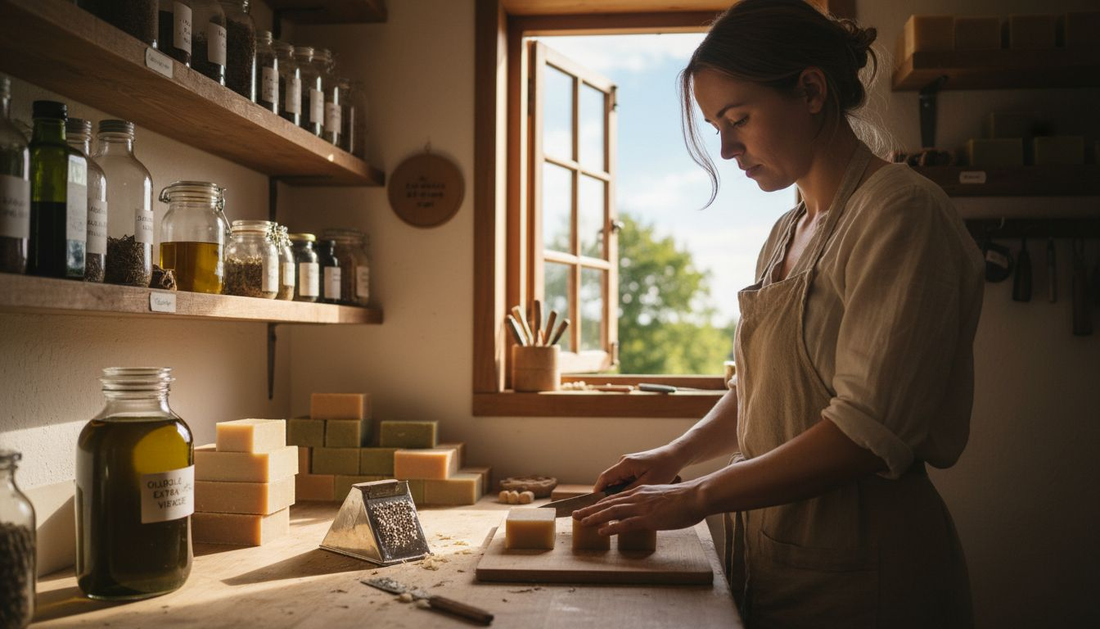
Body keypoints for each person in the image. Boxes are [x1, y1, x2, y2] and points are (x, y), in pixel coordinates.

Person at [572, 1, 985, 627]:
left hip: (867, 577)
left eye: (738, 118)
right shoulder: (788, 230)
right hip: (775, 562)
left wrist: (696, 496)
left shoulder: (900, 215)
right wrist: (674, 456)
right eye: (716, 125)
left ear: (811, 90)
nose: (727, 147)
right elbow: (761, 390)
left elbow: (863, 434)